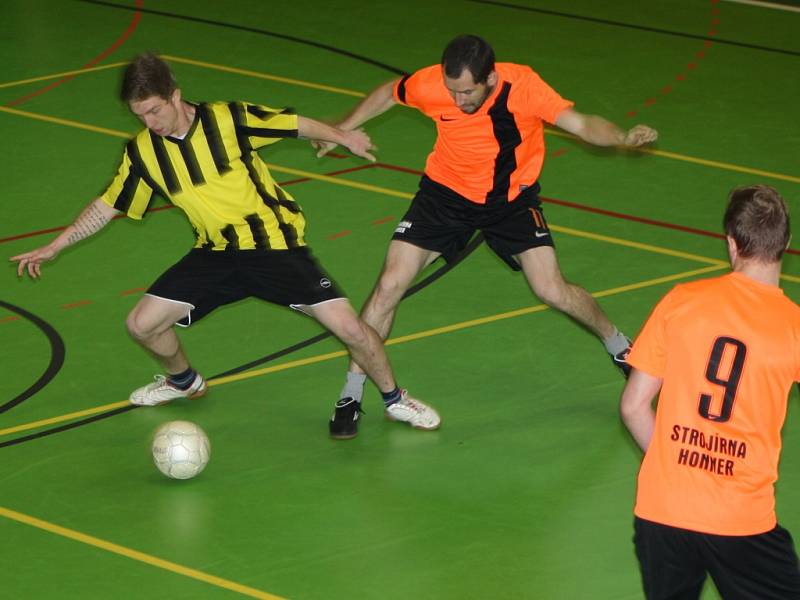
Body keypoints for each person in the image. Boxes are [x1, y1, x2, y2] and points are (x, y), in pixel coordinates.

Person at [10, 53, 440, 433]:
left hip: (275, 248)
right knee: (141, 325)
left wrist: (343, 135)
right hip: (214, 254)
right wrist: (55, 246)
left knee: (351, 330)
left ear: (175, 96)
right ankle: (183, 382)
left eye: (155, 111)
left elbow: (291, 125)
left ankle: (394, 399)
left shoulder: (228, 119)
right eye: (140, 116)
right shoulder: (143, 153)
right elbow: (108, 205)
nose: (150, 123)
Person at [313, 34, 659, 439]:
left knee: (551, 289)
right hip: (444, 195)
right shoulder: (434, 84)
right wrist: (341, 129)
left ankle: (619, 346)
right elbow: (389, 93)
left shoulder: (524, 87)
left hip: (510, 200)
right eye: (452, 91)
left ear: (491, 78)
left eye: (467, 92)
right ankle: (352, 393)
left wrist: (619, 137)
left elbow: (582, 124)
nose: (458, 101)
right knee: (389, 285)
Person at [620, 185, 800, 599]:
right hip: (741, 521)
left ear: (731, 243)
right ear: (786, 244)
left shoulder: (681, 301)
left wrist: (677, 464)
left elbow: (633, 406)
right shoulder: (792, 326)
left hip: (662, 512)